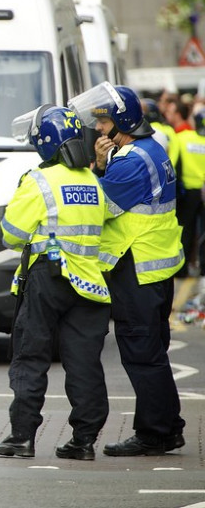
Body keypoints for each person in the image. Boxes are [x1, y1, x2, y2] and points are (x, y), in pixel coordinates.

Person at [0, 105, 112, 461]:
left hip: (48, 279)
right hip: (90, 284)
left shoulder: (39, 180)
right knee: (85, 364)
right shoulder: (92, 180)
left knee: (31, 356)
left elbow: (11, 234)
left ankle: (22, 437)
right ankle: (84, 441)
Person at [70, 82, 186, 456]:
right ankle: (169, 426)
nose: (99, 130)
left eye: (103, 123)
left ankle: (156, 433)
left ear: (122, 122)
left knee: (142, 353)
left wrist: (98, 166)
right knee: (153, 351)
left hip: (137, 268)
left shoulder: (133, 160)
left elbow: (99, 206)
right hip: (153, 266)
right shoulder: (151, 147)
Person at [174, 111, 205, 276]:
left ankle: (182, 269)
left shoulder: (183, 138)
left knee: (186, 230)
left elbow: (174, 162)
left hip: (189, 192)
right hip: (203, 190)